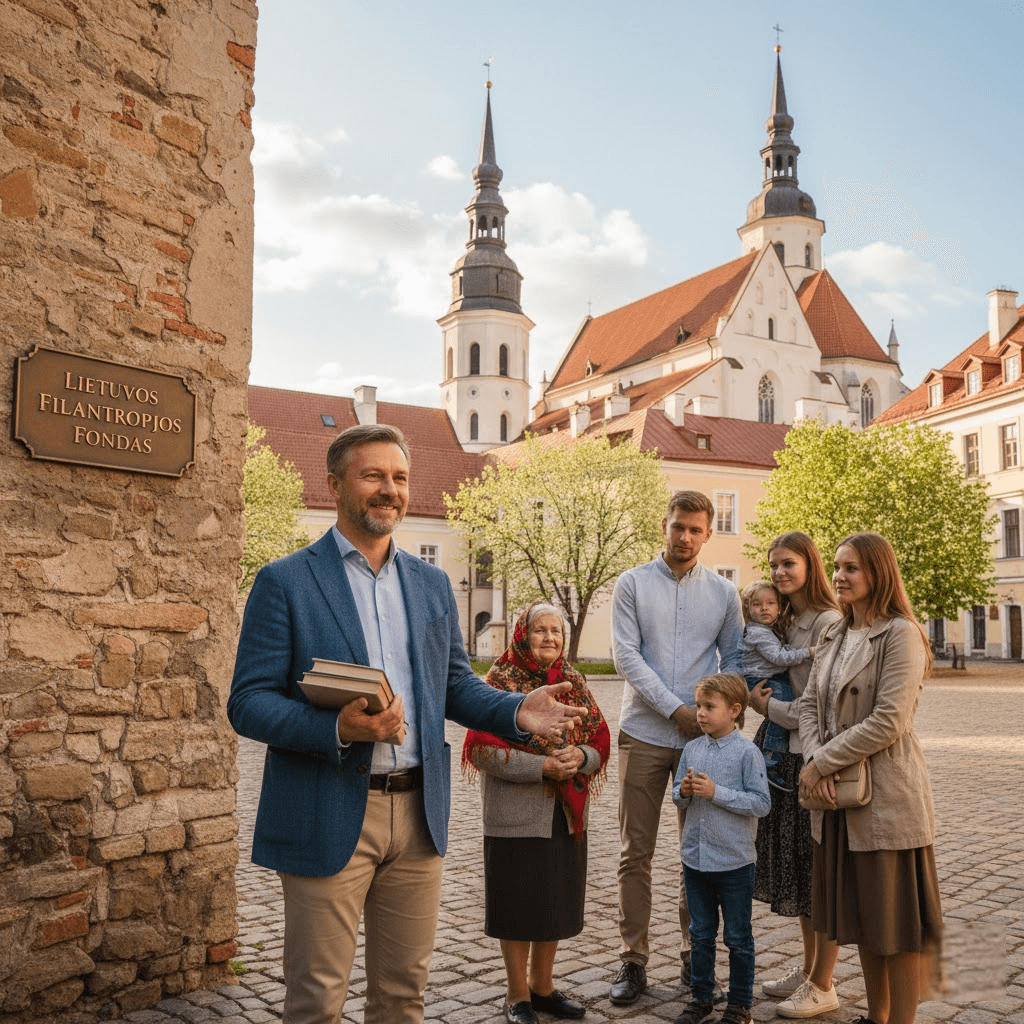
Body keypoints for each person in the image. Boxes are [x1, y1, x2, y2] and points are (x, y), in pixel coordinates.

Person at [227, 423, 585, 1024]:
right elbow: (248, 701)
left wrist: (516, 710)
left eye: (399, 477)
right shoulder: (285, 581)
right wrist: (337, 728)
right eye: (372, 475)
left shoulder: (430, 584)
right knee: (317, 997)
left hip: (418, 814)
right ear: (335, 484)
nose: (389, 489)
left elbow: (454, 686)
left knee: (403, 996)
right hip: (325, 803)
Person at [798, 533, 942, 1024]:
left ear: (878, 573)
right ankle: (876, 1016)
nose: (839, 576)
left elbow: (889, 720)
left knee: (895, 926)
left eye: (852, 568)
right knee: (863, 916)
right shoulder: (834, 634)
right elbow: (809, 706)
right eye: (837, 566)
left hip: (885, 798)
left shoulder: (901, 633)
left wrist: (822, 763)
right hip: (837, 798)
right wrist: (816, 759)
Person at [608, 490, 743, 1006]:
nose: (685, 537)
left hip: (701, 741)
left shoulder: (724, 593)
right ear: (664, 525)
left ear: (708, 533)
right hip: (643, 732)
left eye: (695, 529)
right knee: (634, 852)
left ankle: (695, 956)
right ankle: (633, 959)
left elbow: (733, 659)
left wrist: (713, 715)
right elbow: (626, 657)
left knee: (700, 852)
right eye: (678, 526)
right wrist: (675, 710)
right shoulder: (632, 583)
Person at [463, 602, 610, 1024]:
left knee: (554, 902)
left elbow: (600, 737)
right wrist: (541, 766)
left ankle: (543, 988)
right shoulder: (500, 681)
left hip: (566, 811)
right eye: (540, 630)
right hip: (515, 813)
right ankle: (517, 995)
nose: (549, 637)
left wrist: (581, 757)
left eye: (555, 631)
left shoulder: (573, 680)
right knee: (516, 905)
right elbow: (481, 749)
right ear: (523, 635)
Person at [747, 532, 842, 1017]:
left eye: (789, 563)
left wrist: (767, 707)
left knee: (817, 872)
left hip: (811, 756)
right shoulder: (785, 620)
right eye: (774, 565)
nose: (779, 572)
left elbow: (822, 702)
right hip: (784, 754)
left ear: (810, 565)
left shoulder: (826, 621)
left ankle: (824, 983)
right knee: (800, 873)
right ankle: (808, 971)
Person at [671, 673, 771, 1024]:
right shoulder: (691, 749)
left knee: (738, 936)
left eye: (709, 706)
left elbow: (761, 803)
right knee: (700, 934)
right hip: (695, 862)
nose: (700, 713)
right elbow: (677, 797)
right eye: (698, 705)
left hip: (734, 864)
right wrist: (684, 791)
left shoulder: (747, 753)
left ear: (734, 710)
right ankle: (701, 998)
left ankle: (740, 1004)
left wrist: (717, 793)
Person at [739, 579, 815, 791]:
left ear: (779, 607)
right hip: (763, 679)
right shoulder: (758, 633)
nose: (764, 608)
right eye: (757, 604)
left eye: (770, 603)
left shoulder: (767, 629)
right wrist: (808, 652)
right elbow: (779, 657)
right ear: (748, 609)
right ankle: (769, 760)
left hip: (769, 675)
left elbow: (781, 651)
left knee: (781, 709)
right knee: (781, 711)